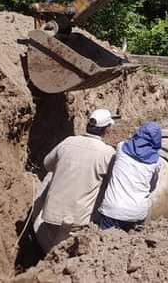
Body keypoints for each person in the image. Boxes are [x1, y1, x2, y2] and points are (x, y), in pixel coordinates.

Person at [34, 108, 116, 253]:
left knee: (53, 250)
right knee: (64, 256)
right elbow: (112, 184)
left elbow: (47, 164)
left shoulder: (68, 141)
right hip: (77, 221)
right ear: (106, 129)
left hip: (49, 216)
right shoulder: (108, 153)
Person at [97, 121, 162, 231]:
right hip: (137, 213)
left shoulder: (121, 148)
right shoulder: (156, 162)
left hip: (112, 209)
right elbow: (152, 187)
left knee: (103, 243)